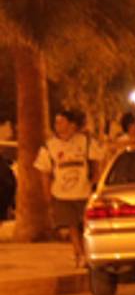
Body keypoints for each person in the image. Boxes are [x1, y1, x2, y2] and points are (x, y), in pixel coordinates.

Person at [34, 109, 104, 267]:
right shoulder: (49, 146)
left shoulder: (85, 141)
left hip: (84, 192)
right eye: (56, 122)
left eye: (61, 121)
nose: (57, 125)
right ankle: (79, 254)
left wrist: (95, 180)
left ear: (72, 125)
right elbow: (44, 171)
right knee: (71, 225)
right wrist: (47, 193)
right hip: (62, 194)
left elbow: (96, 161)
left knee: (84, 225)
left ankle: (89, 252)